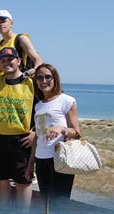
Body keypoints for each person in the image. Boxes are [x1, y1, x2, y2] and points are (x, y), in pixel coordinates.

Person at [0, 47, 36, 209]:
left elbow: (45, 109)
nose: (6, 63)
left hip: (22, 139)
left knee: (23, 180)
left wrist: (35, 133)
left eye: (10, 59)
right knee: (1, 179)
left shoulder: (31, 82)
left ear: (19, 61)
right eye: (2, 60)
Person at [27, 64, 80, 201]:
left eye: (47, 77)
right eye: (39, 78)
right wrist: (30, 164)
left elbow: (77, 132)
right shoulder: (38, 105)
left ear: (55, 78)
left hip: (60, 159)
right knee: (46, 204)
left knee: (60, 204)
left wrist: (61, 129)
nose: (43, 81)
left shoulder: (67, 101)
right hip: (41, 160)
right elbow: (37, 137)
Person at [0, 10, 43, 81]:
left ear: (11, 23)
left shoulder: (20, 39)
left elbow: (38, 60)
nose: (0, 24)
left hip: (18, 86)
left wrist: (30, 73)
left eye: (3, 21)